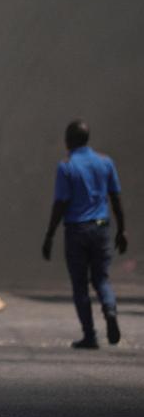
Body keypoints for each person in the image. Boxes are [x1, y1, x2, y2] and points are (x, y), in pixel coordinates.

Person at [42, 120, 127, 349]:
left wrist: (50, 234)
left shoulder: (67, 166)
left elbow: (61, 202)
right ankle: (109, 310)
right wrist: (122, 229)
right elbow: (116, 197)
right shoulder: (105, 162)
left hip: (77, 230)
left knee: (80, 285)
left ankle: (90, 335)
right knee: (101, 278)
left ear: (68, 141)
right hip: (101, 227)